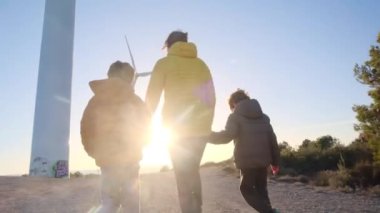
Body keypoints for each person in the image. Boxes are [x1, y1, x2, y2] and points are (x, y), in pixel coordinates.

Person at [145, 30, 216, 213]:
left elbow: (151, 99)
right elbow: (211, 99)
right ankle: (196, 209)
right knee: (192, 171)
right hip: (200, 131)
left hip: (175, 131)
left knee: (183, 177)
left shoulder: (163, 63)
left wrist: (143, 124)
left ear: (168, 45)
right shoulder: (202, 65)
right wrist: (205, 126)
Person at [80, 61, 150, 213]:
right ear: (129, 78)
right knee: (131, 205)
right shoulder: (136, 101)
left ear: (109, 76)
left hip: (107, 160)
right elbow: (147, 127)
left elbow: (86, 129)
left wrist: (94, 152)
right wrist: (140, 146)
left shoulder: (95, 101)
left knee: (109, 203)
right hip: (131, 159)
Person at [208, 89, 280, 213]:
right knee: (262, 190)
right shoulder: (264, 117)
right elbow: (272, 140)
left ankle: (270, 212)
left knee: (246, 189)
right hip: (264, 162)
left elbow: (227, 136)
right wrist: (275, 162)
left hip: (247, 162)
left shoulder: (235, 116)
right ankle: (269, 211)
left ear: (234, 103)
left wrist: (207, 135)